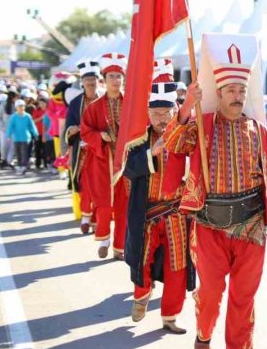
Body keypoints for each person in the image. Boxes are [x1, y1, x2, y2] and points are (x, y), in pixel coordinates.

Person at [163, 37, 267, 349]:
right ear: (219, 93)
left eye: (241, 90)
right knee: (211, 292)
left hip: (251, 224)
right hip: (210, 224)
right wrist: (187, 106)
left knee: (244, 295)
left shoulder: (259, 131)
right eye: (231, 90)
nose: (236, 95)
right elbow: (173, 144)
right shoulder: (202, 126)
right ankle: (204, 331)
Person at [123, 64, 194, 334]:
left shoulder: (187, 134)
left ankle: (170, 316)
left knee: (178, 265)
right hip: (147, 213)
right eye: (156, 114)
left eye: (166, 113)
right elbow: (127, 169)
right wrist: (150, 153)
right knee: (142, 258)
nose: (162, 119)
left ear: (176, 110)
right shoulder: (138, 139)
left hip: (177, 212)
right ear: (147, 113)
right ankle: (141, 295)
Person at [80, 53, 129, 260]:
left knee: (124, 205)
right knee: (104, 202)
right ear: (104, 79)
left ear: (123, 79)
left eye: (119, 76)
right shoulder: (94, 107)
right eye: (111, 76)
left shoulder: (132, 105)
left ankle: (120, 247)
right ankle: (104, 239)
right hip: (103, 162)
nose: (115, 80)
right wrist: (100, 136)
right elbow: (85, 132)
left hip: (127, 162)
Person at [66, 59, 102, 234]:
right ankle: (86, 216)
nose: (90, 83)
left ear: (98, 81)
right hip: (81, 151)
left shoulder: (105, 100)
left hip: (102, 150)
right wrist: (72, 130)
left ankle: (96, 220)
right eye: (87, 80)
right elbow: (68, 128)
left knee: (100, 185)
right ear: (82, 82)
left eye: (93, 79)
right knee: (85, 184)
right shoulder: (75, 103)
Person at [7, 100, 39, 175]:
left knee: (24, 152)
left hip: (25, 138)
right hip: (16, 138)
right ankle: (19, 166)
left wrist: (35, 134)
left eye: (22, 106)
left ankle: (24, 166)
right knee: (18, 153)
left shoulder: (27, 116)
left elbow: (32, 126)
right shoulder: (13, 117)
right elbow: (10, 127)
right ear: (16, 107)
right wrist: (8, 135)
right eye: (19, 106)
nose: (21, 108)